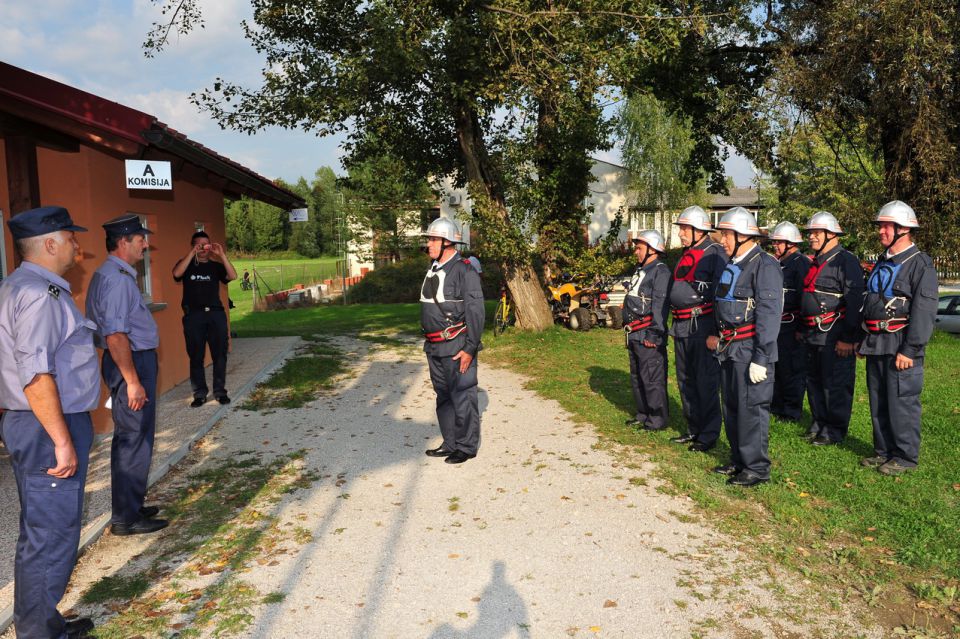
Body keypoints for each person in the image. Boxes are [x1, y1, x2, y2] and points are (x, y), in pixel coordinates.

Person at [0, 206, 99, 639]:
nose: (78, 245)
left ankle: (40, 621)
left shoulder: (21, 286)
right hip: (46, 427)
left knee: (42, 528)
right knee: (52, 532)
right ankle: (39, 633)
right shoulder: (40, 294)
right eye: (71, 237)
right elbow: (36, 374)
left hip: (39, 424)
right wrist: (61, 439)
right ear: (50, 244)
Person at [86, 214, 167, 536]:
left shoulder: (111, 273)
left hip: (128, 361)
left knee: (134, 437)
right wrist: (132, 381)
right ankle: (126, 519)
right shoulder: (117, 279)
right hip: (130, 363)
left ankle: (130, 505)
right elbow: (116, 335)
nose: (145, 245)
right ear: (123, 242)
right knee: (134, 438)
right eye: (139, 239)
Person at [859, 201, 938, 475]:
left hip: (901, 344)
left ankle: (905, 457)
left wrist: (911, 349)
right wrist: (863, 338)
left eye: (886, 226)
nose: (880, 231)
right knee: (878, 399)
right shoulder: (883, 262)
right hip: (876, 341)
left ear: (903, 229)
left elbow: (924, 312)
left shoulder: (920, 264)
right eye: (880, 226)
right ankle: (883, 450)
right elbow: (870, 301)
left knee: (902, 402)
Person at [707, 207, 783, 487]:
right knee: (733, 406)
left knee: (751, 408)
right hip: (729, 348)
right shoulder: (734, 263)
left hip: (751, 349)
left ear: (742, 235)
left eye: (726, 235)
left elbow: (769, 313)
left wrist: (762, 357)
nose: (722, 240)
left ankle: (756, 467)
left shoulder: (764, 264)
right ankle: (739, 459)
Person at [419, 218, 485, 464]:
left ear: (448, 242)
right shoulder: (434, 267)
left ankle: (466, 447)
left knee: (463, 395)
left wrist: (470, 348)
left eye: (433, 239)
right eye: (429, 239)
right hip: (434, 346)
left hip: (457, 345)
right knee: (443, 395)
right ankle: (451, 442)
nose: (428, 244)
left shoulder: (465, 270)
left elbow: (476, 312)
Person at [800, 211, 864, 446]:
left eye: (816, 233)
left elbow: (855, 301)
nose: (811, 237)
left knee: (834, 383)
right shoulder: (816, 261)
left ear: (831, 234)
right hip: (812, 333)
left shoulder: (846, 261)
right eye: (810, 233)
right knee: (814, 380)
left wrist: (848, 338)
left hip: (834, 334)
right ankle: (819, 422)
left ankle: (834, 429)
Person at [668, 205, 726, 452]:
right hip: (681, 325)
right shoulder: (686, 253)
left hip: (702, 325)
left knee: (705, 381)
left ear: (697, 230)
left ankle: (708, 433)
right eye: (680, 228)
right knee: (686, 380)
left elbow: (721, 294)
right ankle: (693, 428)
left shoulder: (715, 254)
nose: (680, 233)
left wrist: (715, 330)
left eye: (684, 228)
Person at [172, 231, 237, 407]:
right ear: (193, 246)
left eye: (206, 244)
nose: (203, 248)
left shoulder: (216, 266)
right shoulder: (186, 265)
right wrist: (191, 254)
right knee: (196, 356)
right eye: (199, 245)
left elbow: (232, 276)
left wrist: (222, 255)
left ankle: (220, 392)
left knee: (220, 355)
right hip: (194, 315)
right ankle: (199, 394)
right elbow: (177, 274)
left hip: (215, 314)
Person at [622, 230, 672, 432]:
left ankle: (657, 419)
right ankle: (643, 414)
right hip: (634, 333)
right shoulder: (641, 270)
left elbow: (660, 306)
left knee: (652, 378)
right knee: (637, 376)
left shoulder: (661, 271)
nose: (636, 251)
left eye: (639, 248)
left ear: (652, 249)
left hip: (648, 333)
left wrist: (655, 334)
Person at [768, 222, 811, 422]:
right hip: (778, 325)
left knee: (792, 368)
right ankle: (777, 404)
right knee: (778, 366)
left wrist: (802, 327)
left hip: (792, 325)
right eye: (774, 242)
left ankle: (791, 409)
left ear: (791, 243)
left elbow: (804, 297)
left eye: (779, 242)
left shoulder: (800, 263)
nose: (775, 245)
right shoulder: (779, 263)